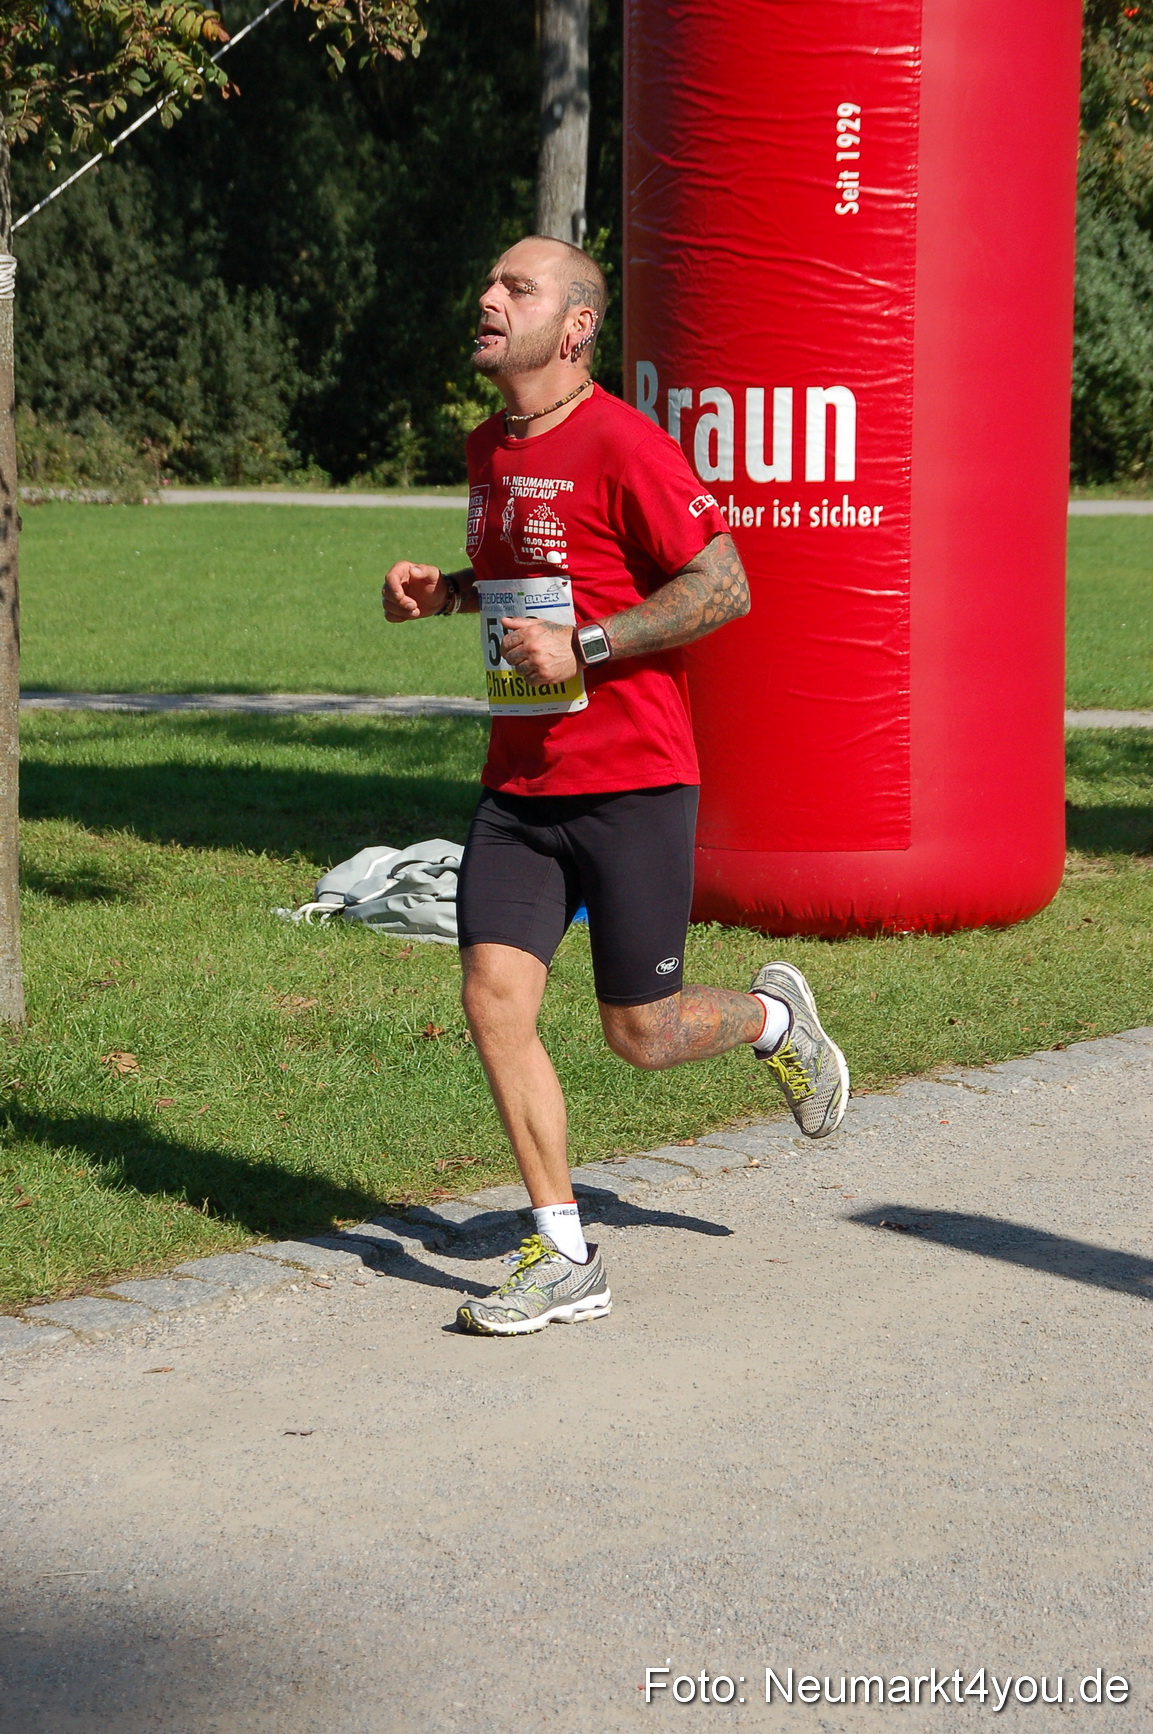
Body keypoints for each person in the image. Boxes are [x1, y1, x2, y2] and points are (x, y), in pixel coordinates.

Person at [382, 235, 848, 1337]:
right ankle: (562, 1253)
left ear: (575, 324)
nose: (487, 297)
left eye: (516, 288)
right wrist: (441, 594)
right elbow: (522, 583)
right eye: (489, 281)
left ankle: (775, 1018)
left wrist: (587, 646)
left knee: (638, 1034)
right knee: (494, 1005)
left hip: (631, 782)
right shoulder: (488, 447)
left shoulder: (624, 444)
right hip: (518, 785)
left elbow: (723, 585)